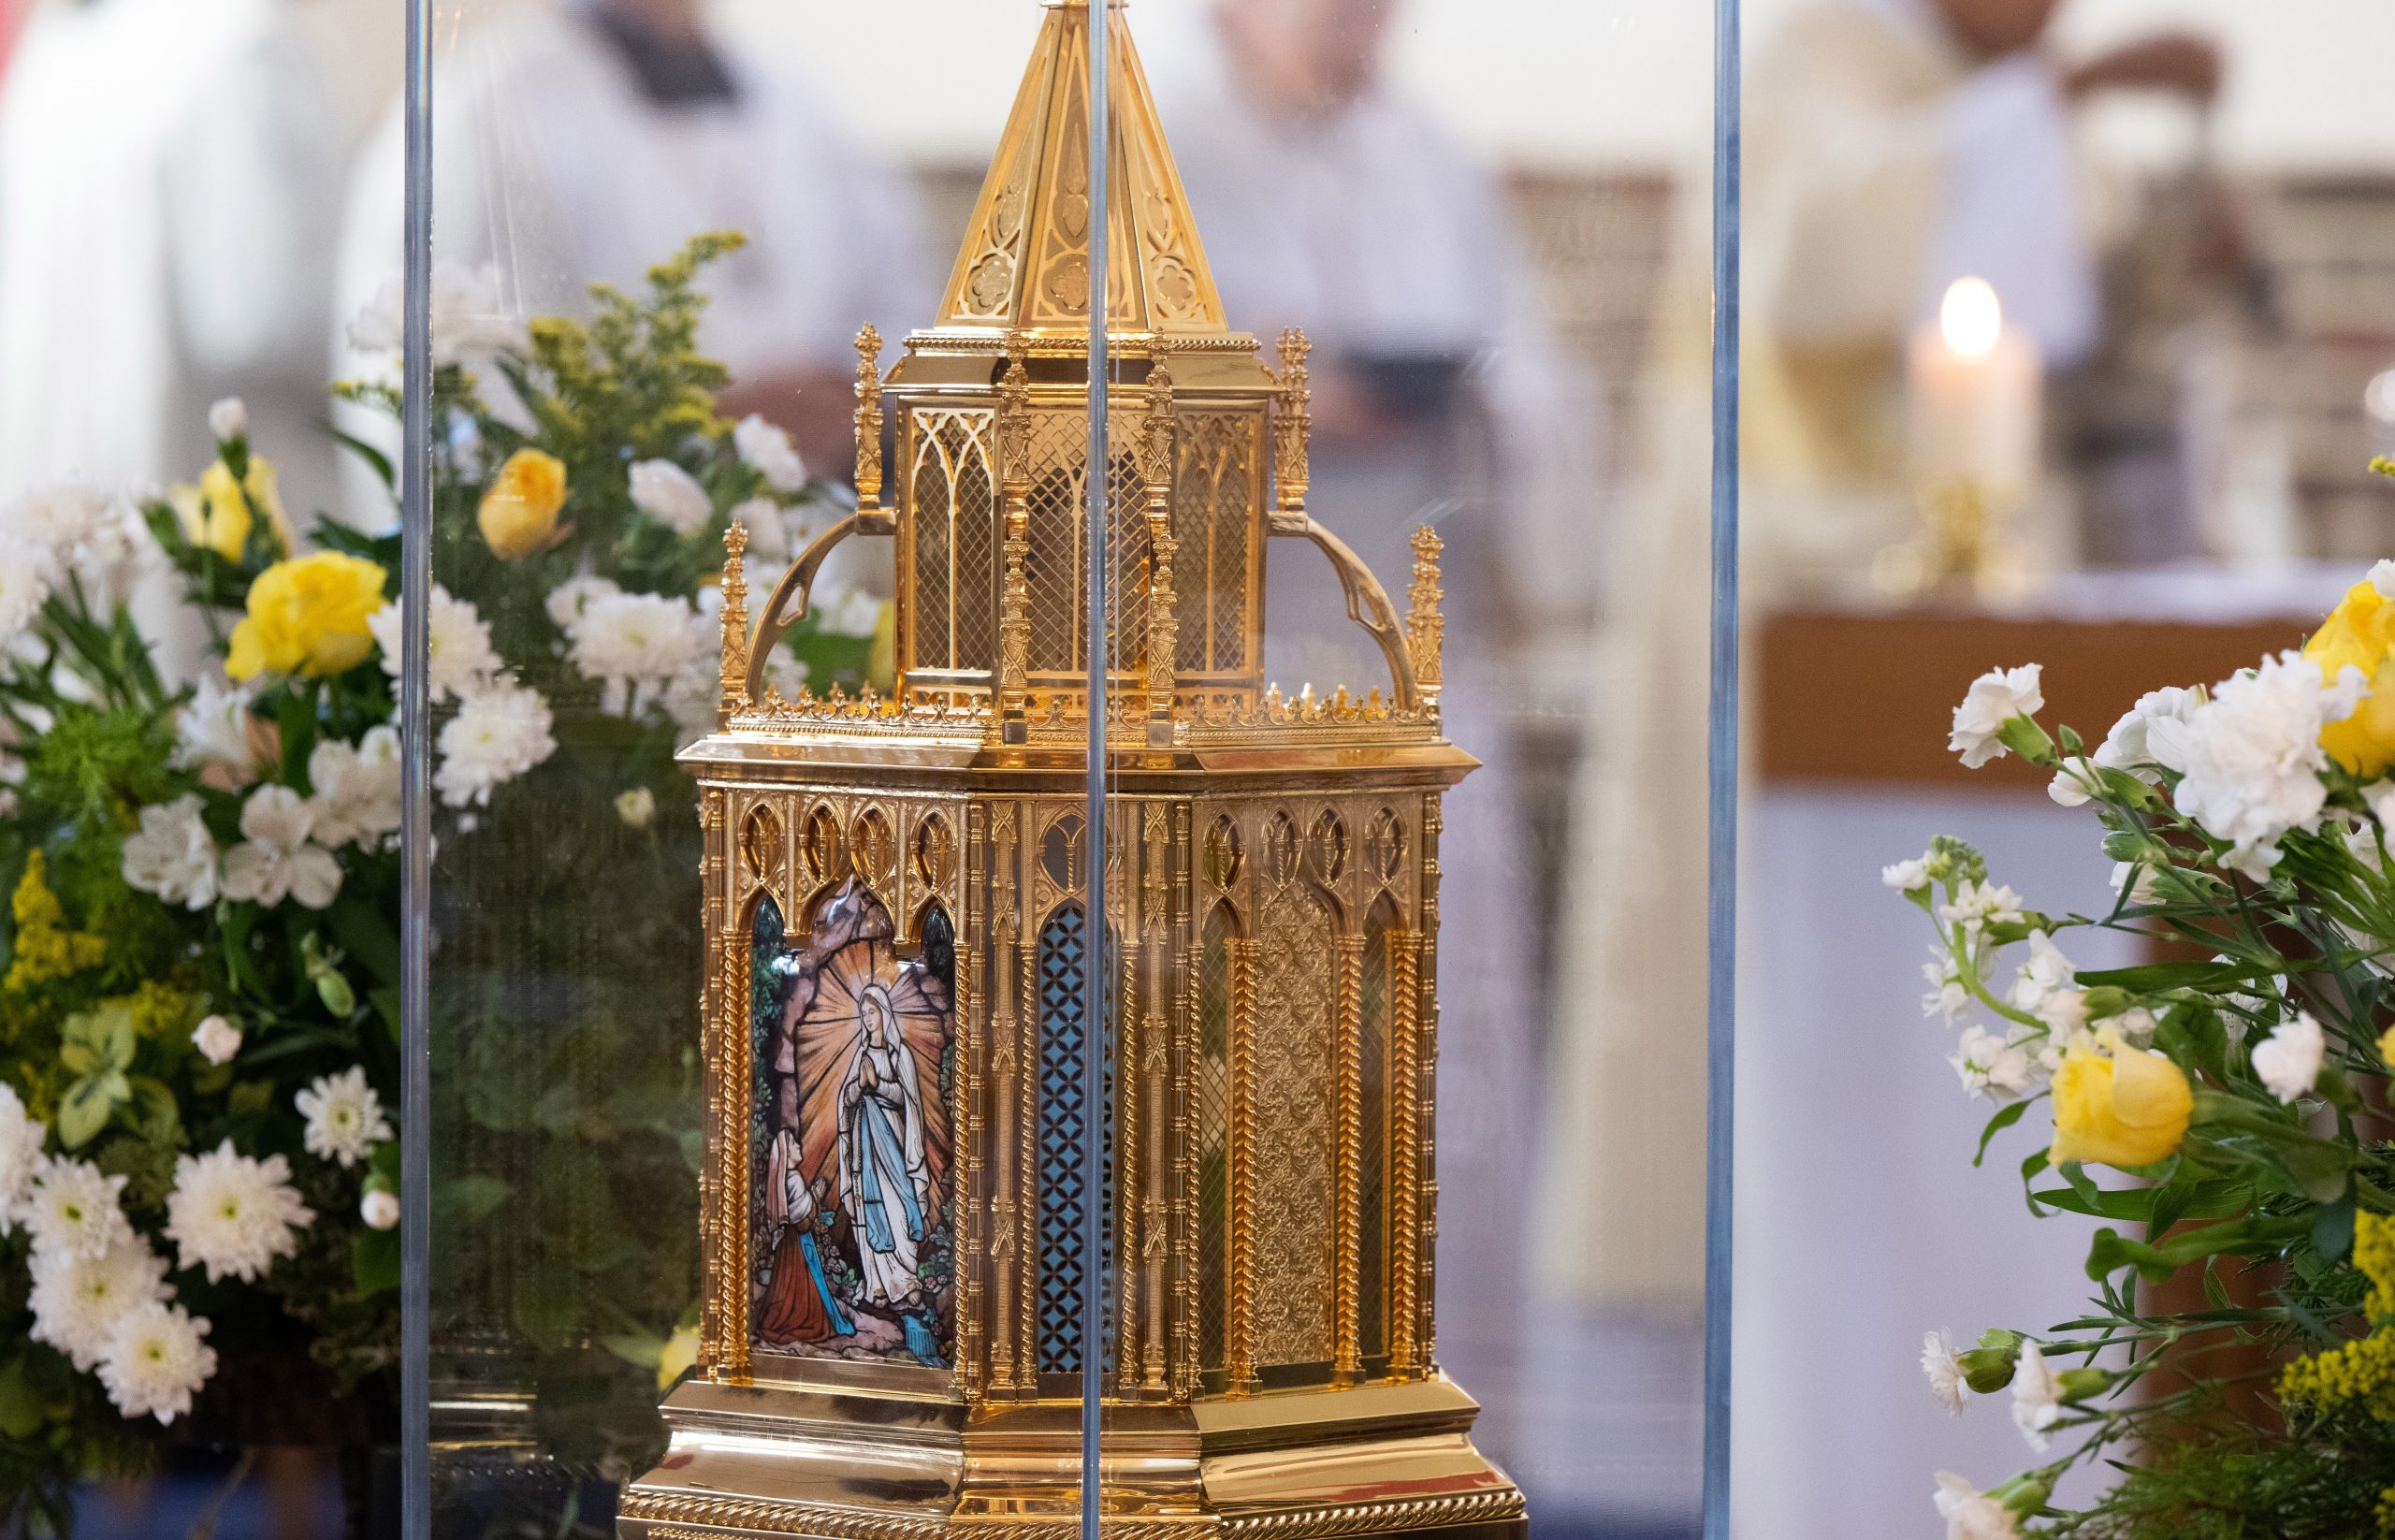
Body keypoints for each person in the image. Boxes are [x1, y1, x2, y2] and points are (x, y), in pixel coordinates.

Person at [1151, 0, 1605, 1376]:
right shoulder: (1146, 155)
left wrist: (1478, 394)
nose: (1359, 22)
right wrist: (1260, 397)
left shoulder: (1432, 156)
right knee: (1240, 1048)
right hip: (1227, 656)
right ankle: (1231, 1377)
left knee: (1429, 1043)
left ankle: (1437, 1382)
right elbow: (1075, 395)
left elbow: (1539, 372)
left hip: (1414, 655)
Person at [333, 0, 937, 524]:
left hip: (810, 580)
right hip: (606, 590)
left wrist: (855, 413)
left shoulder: (800, 101)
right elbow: (439, 406)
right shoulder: (482, 109)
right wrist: (688, 436)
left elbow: (907, 322)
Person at [0, 0, 398, 516]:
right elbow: (279, 323)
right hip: (220, 508)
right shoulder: (239, 42)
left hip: (81, 507)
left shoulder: (63, 45)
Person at [837, 983, 932, 1312]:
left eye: (872, 1012)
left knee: (898, 1205)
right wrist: (859, 1088)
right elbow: (846, 1098)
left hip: (893, 1138)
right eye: (863, 1014)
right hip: (865, 1140)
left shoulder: (898, 1054)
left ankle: (906, 1280)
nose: (867, 1019)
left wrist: (877, 1086)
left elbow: (909, 1100)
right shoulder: (861, 1055)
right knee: (869, 1205)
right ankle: (877, 1282)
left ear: (884, 1013)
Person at [760, 1156, 855, 1349]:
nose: (798, 1147)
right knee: (803, 1291)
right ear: (786, 1152)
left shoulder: (781, 1178)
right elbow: (803, 1224)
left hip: (789, 1245)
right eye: (793, 1144)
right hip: (798, 1246)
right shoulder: (793, 1178)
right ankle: (802, 1318)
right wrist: (816, 1197)